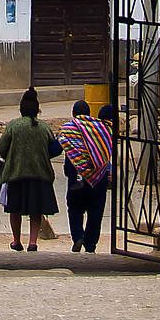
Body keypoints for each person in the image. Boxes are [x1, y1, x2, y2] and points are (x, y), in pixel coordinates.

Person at [0, 87, 62, 251]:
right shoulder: (44, 128)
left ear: (21, 109)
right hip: (40, 174)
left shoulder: (14, 126)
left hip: (15, 174)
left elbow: (0, 147)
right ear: (37, 110)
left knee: (15, 209)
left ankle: (16, 240)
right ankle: (33, 242)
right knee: (36, 210)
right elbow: (53, 149)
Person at [61, 99, 114, 253]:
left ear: (73, 113)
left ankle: (78, 237)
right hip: (98, 178)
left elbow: (56, 148)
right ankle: (90, 245)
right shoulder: (101, 129)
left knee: (75, 209)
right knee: (96, 212)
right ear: (89, 113)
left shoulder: (68, 129)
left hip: (76, 178)